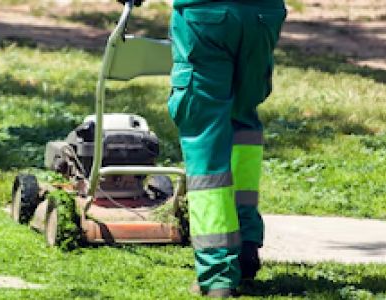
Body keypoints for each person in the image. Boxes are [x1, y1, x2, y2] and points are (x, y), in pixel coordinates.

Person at [118, 0, 287, 297]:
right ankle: (246, 245)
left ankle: (218, 271)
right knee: (243, 121)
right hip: (263, 15)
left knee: (205, 134)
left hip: (206, 15)